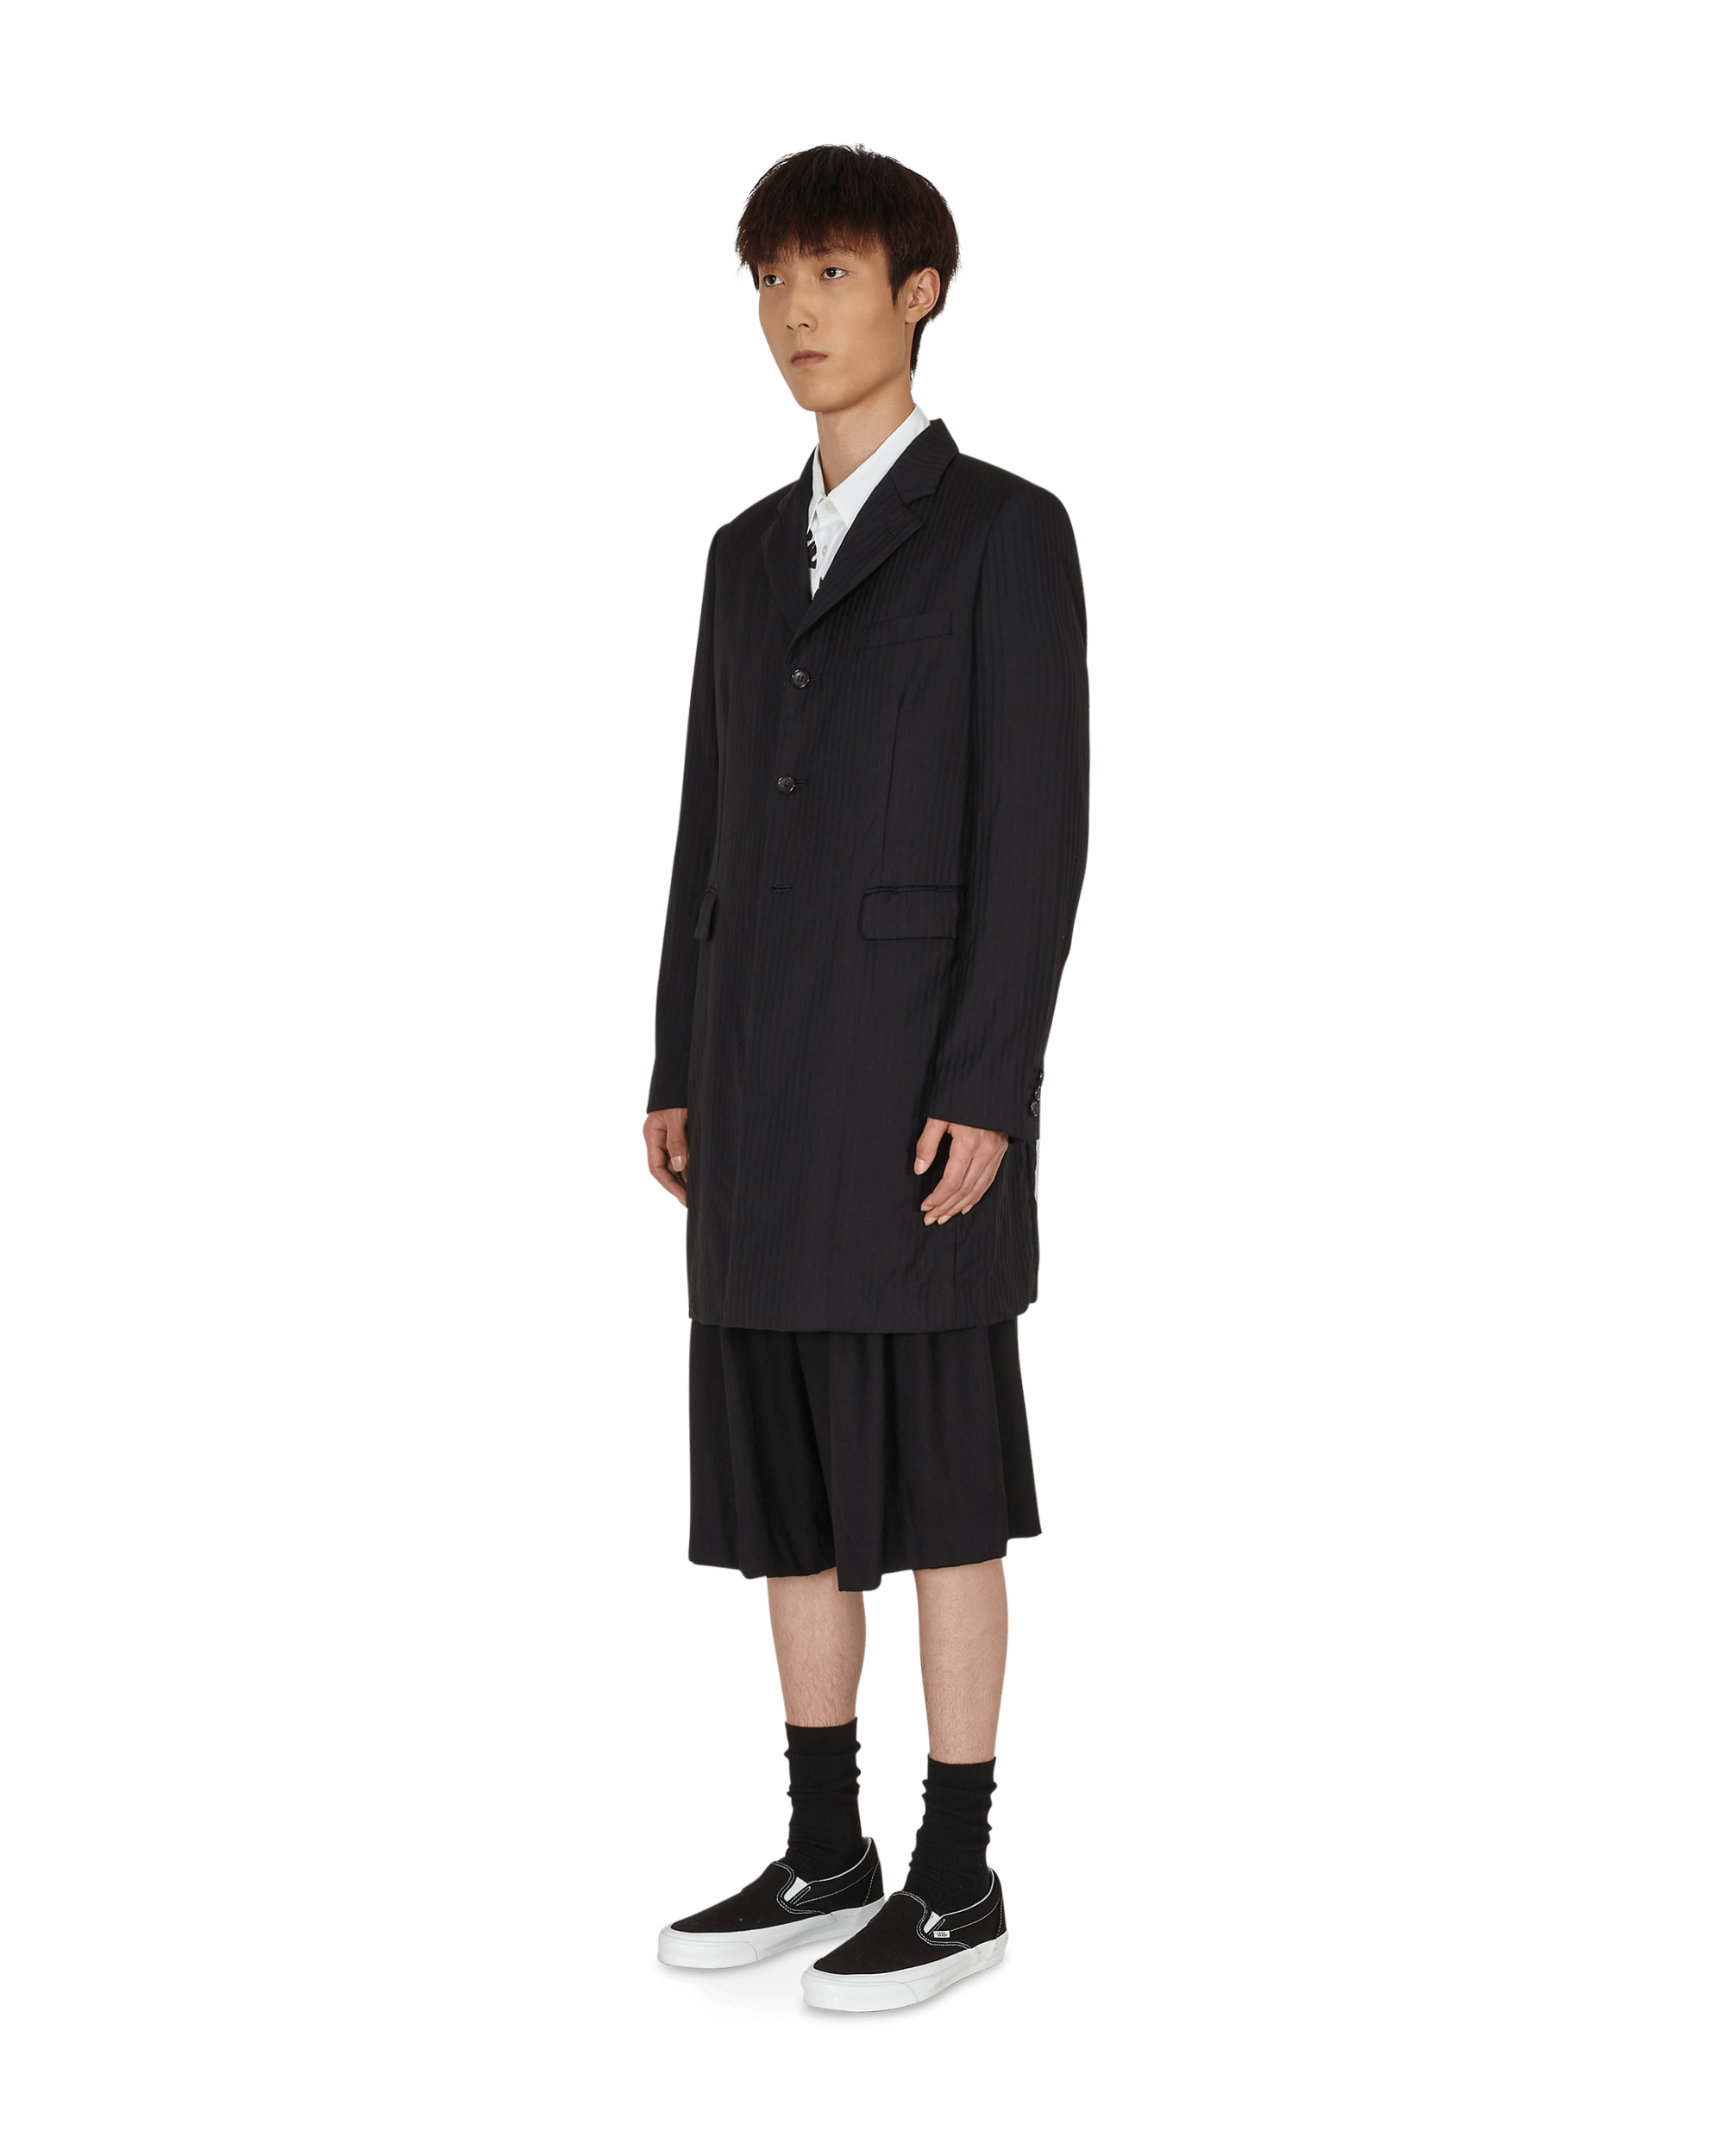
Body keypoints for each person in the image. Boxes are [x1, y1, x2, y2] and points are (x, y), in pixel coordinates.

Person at [642, 141, 1089, 2018]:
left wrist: (991, 1082)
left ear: (920, 293)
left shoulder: (1003, 531)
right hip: (754, 1095)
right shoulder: (744, 552)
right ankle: (825, 1851)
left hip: (918, 1101)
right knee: (787, 1492)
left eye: (832, 274)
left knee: (941, 1489)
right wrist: (675, 1059)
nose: (794, 313)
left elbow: (1038, 823)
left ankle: (958, 1874)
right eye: (771, 281)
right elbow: (704, 830)